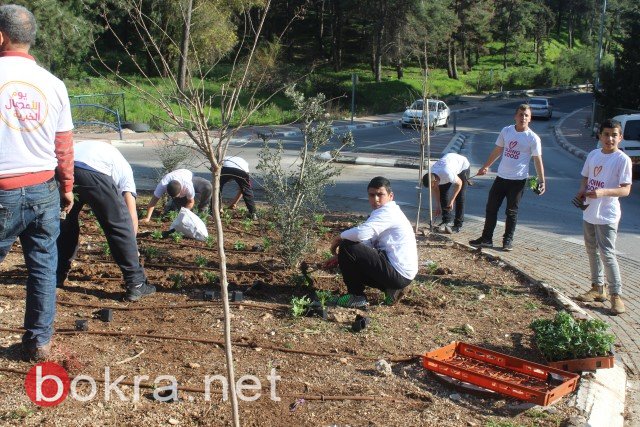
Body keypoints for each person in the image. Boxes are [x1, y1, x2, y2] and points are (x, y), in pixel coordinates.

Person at [0, 4, 74, 361]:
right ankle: (39, 343)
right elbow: (63, 145)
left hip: (3, 191)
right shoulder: (54, 84)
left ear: (0, 36)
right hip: (44, 190)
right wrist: (68, 187)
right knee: (43, 268)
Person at [56, 140, 156, 301]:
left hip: (65, 169)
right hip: (94, 173)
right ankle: (136, 283)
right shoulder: (125, 170)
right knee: (118, 225)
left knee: (65, 225)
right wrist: (132, 244)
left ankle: (56, 275)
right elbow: (129, 215)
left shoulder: (95, 149)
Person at [328, 177, 418, 307]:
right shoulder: (382, 213)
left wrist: (339, 237)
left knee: (347, 245)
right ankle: (391, 289)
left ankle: (356, 296)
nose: (375, 199)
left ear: (390, 196)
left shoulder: (388, 212)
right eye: (372, 195)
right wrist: (341, 258)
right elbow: (367, 242)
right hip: (400, 274)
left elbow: (361, 234)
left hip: (398, 273)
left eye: (380, 194)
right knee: (348, 252)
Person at [574, 119, 632, 315]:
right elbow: (586, 177)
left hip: (608, 214)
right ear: (600, 136)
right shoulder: (593, 154)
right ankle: (598, 288)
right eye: (606, 134)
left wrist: (602, 192)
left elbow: (625, 190)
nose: (610, 139)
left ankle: (616, 295)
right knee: (591, 250)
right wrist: (582, 191)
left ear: (620, 137)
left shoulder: (622, 159)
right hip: (589, 211)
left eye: (614, 135)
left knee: (607, 254)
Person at [469, 104, 545, 251]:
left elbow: (537, 159)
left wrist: (542, 181)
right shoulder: (506, 131)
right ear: (515, 116)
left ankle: (507, 241)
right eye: (521, 114)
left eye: (526, 115)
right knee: (491, 208)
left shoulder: (533, 138)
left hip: (518, 181)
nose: (523, 117)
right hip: (501, 178)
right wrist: (485, 166)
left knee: (511, 212)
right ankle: (486, 239)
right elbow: (498, 150)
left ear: (530, 118)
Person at [422, 152, 470, 234]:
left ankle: (458, 225)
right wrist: (438, 205)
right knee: (443, 193)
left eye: (433, 185)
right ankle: (446, 220)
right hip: (449, 163)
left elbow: (459, 184)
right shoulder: (431, 174)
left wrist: (452, 200)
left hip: (462, 166)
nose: (433, 187)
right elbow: (436, 190)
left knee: (460, 196)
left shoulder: (448, 174)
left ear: (435, 180)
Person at [142, 169, 212, 222]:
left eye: (177, 196)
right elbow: (153, 201)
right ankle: (172, 205)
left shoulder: (187, 186)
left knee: (207, 187)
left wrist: (184, 213)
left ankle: (202, 213)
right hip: (176, 177)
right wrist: (147, 218)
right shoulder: (163, 184)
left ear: (182, 190)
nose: (176, 197)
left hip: (189, 176)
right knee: (178, 209)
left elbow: (191, 202)